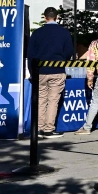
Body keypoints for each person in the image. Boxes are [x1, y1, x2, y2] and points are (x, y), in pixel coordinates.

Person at [27, 7, 74, 138]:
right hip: (57, 70)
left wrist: (32, 72)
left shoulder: (37, 33)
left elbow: (30, 54)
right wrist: (62, 60)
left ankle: (39, 127)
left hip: (40, 71)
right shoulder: (64, 33)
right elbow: (69, 51)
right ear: (57, 17)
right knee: (53, 100)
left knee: (41, 99)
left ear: (44, 17)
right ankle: (49, 128)